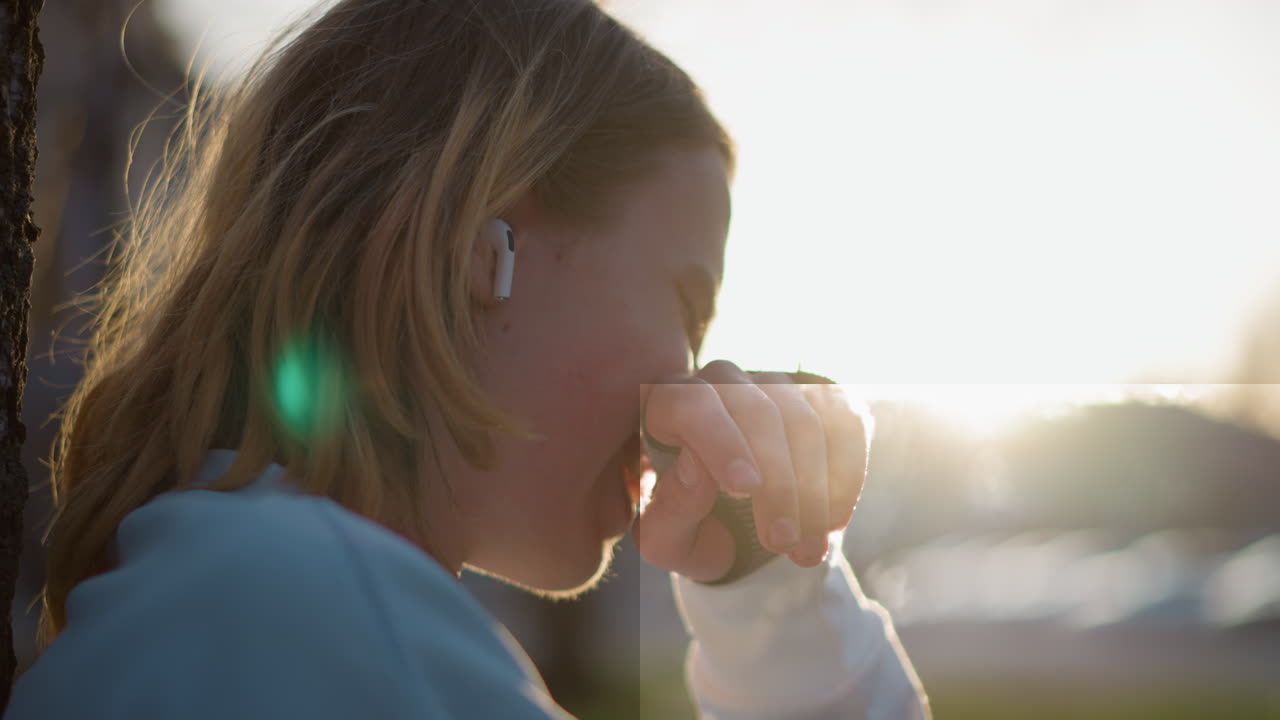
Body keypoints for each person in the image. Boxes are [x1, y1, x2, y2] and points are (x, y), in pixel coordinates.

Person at [7, 0, 929, 717]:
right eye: (688, 304)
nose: (694, 376)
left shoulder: (222, 583)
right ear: (480, 252)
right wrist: (786, 629)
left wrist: (761, 579)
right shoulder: (324, 618)